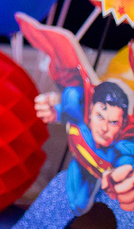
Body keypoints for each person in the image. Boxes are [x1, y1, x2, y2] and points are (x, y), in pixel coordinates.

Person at [34, 81, 134, 214]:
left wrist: (124, 177)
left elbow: (126, 163)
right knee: (76, 204)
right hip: (79, 163)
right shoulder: (76, 116)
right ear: (91, 109)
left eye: (113, 122)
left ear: (123, 124)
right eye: (100, 116)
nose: (104, 128)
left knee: (80, 204)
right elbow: (59, 110)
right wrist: (50, 110)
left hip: (97, 176)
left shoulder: (121, 148)